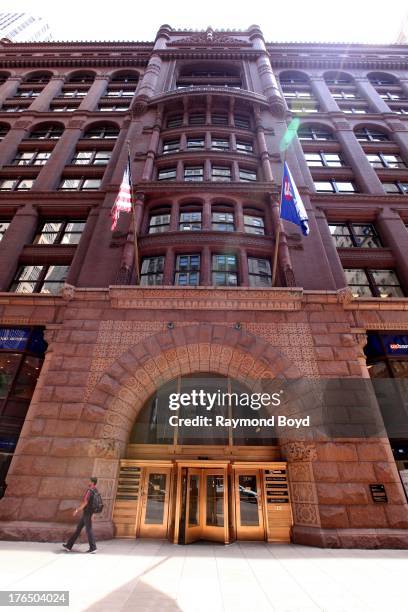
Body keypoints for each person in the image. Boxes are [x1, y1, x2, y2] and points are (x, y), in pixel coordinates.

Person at [63, 477, 98, 553]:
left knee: (89, 530)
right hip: (89, 513)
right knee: (78, 529)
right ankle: (69, 545)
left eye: (89, 481)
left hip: (87, 513)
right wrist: (93, 513)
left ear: (92, 482)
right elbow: (95, 503)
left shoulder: (89, 491)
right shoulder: (96, 490)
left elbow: (85, 502)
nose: (88, 482)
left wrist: (77, 510)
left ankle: (93, 547)